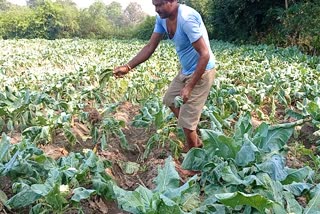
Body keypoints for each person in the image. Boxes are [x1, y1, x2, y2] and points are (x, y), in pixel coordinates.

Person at [113, 0, 216, 154]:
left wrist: (189, 86)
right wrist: (128, 67)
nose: (157, 9)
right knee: (170, 99)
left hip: (202, 72)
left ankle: (195, 162)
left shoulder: (186, 19)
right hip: (186, 70)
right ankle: (195, 140)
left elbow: (205, 54)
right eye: (155, 5)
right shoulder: (162, 19)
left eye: (160, 4)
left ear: (173, 1)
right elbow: (150, 47)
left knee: (187, 123)